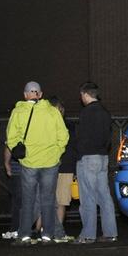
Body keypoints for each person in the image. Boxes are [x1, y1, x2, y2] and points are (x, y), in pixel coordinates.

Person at [5, 81, 68, 246]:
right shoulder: (53, 112)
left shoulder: (18, 112)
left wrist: (21, 155)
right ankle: (47, 235)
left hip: (29, 162)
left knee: (28, 200)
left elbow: (11, 138)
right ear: (40, 94)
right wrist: (57, 152)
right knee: (48, 199)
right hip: (50, 162)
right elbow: (64, 135)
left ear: (25, 95)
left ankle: (24, 235)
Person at [75, 81, 119, 243]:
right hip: (102, 158)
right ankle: (110, 232)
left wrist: (79, 154)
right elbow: (108, 137)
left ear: (86, 94)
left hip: (87, 158)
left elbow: (81, 138)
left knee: (88, 197)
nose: (81, 98)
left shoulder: (86, 113)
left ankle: (88, 235)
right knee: (104, 196)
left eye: (81, 95)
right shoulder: (105, 112)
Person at [51, 98, 76, 242]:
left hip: (63, 167)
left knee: (60, 201)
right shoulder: (49, 126)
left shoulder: (69, 126)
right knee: (51, 200)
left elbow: (71, 148)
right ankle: (48, 230)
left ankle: (57, 230)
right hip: (53, 166)